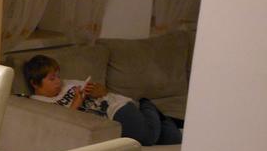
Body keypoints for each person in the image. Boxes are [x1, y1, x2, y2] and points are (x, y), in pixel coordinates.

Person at [23, 55, 182, 146]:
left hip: (114, 108)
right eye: (52, 79)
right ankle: (152, 111)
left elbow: (102, 93)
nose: (58, 81)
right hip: (106, 123)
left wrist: (99, 90)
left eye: (58, 76)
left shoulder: (67, 83)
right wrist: (76, 103)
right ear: (35, 83)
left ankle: (146, 105)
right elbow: (62, 127)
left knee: (146, 137)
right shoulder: (37, 104)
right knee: (175, 137)